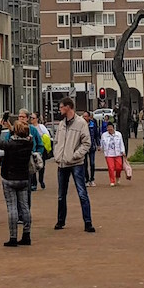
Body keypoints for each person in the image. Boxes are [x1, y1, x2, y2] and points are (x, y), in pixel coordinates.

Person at [53, 98, 94, 233]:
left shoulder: (81, 123)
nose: (60, 110)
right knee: (61, 194)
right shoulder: (61, 124)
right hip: (62, 163)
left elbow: (86, 143)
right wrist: (57, 154)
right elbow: (57, 141)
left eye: (61, 107)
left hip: (76, 163)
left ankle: (88, 222)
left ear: (68, 107)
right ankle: (60, 220)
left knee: (82, 193)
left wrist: (75, 155)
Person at [0, 119, 34, 247]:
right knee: (25, 207)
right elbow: (22, 135)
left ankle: (13, 237)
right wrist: (13, 128)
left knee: (12, 208)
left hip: (9, 178)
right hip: (23, 178)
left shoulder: (10, 144)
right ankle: (26, 235)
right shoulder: (29, 144)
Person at [100, 121, 127, 186]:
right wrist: (101, 148)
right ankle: (112, 181)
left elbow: (121, 143)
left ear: (113, 127)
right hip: (109, 154)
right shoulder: (104, 135)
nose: (109, 129)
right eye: (108, 128)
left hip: (117, 153)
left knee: (119, 167)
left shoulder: (118, 134)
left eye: (110, 127)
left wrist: (123, 151)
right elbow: (102, 143)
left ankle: (118, 177)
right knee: (111, 167)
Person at [30, 113, 49, 191]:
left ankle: (41, 180)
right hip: (33, 150)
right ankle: (34, 184)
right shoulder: (29, 128)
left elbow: (47, 135)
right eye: (30, 118)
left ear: (37, 119)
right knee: (32, 166)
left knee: (41, 166)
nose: (31, 119)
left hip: (40, 149)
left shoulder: (41, 127)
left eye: (33, 118)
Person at [82, 110, 100, 186]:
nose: (84, 118)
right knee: (84, 164)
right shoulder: (81, 125)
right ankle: (86, 179)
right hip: (84, 148)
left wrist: (98, 145)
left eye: (86, 116)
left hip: (92, 147)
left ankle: (92, 179)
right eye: (83, 116)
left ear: (89, 117)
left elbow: (96, 135)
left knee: (92, 163)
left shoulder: (93, 124)